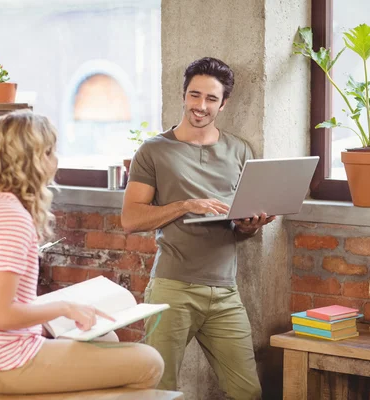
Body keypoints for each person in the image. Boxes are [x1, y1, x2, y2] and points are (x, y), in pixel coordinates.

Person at [0, 110, 164, 395]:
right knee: (149, 362)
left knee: (106, 336)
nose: (55, 160)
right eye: (50, 152)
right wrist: (64, 308)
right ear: (32, 160)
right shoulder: (10, 218)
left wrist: (57, 318)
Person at [121, 57, 275, 399]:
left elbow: (238, 227)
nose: (200, 106)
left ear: (223, 104)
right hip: (172, 289)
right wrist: (185, 205)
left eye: (210, 99)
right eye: (194, 95)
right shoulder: (154, 151)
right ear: (184, 95)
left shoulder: (239, 150)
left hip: (224, 292)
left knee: (247, 391)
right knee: (158, 390)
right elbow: (130, 219)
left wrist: (250, 225)